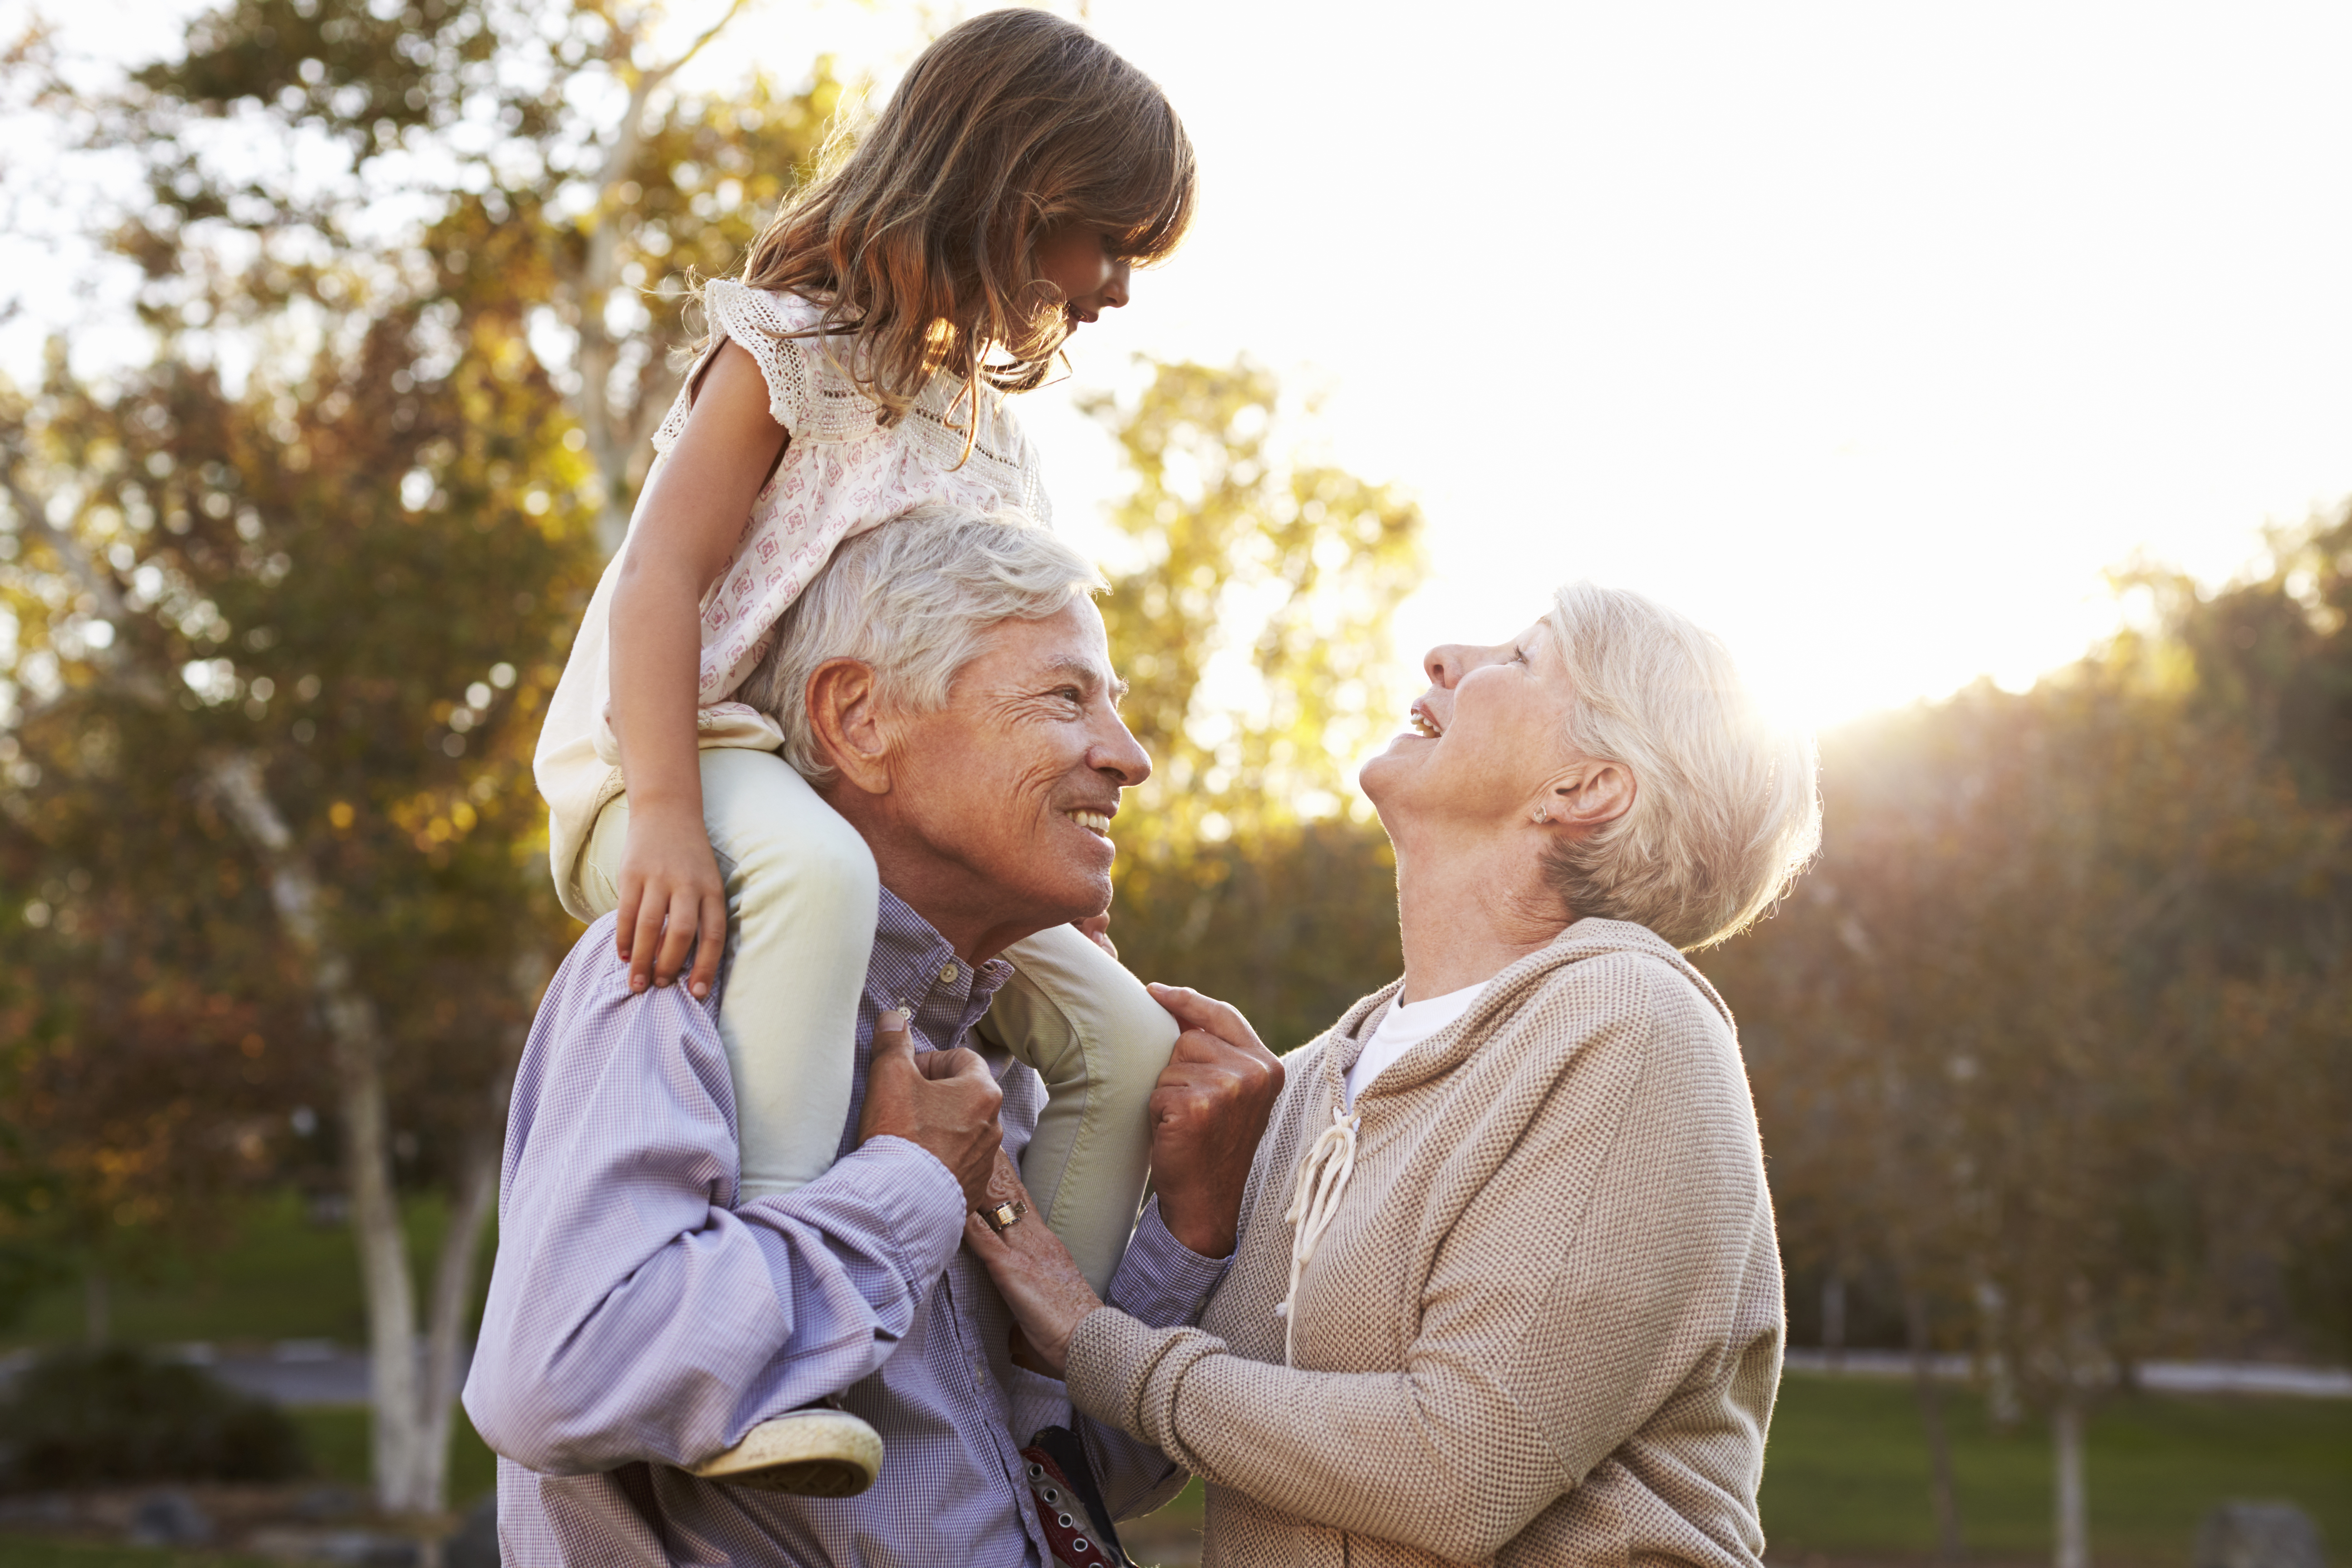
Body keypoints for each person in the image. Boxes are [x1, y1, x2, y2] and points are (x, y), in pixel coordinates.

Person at [528, 9, 1196, 1482]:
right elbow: (656, 582)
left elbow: (986, 661)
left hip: (825, 770)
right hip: (681, 740)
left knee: (1120, 1032)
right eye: (1111, 242)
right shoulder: (786, 351)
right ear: (1021, 190)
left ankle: (1034, 1384)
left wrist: (1053, 866)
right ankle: (773, 1346)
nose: (1121, 291)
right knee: (820, 883)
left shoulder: (986, 428)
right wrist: (658, 809)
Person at [466, 510, 1285, 1565]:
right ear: (858, 717)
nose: (1129, 758)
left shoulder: (1000, 1063)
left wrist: (1196, 1221)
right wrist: (906, 1184)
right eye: (1066, 696)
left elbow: (1072, 1471)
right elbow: (560, 1383)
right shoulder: (674, 979)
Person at [967, 583, 1825, 1567]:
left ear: (1584, 789)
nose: (1444, 656)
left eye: (1522, 656)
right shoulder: (1308, 1084)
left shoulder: (1632, 1028)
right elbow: (1115, 1457)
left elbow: (1459, 1471)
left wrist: (1085, 1332)